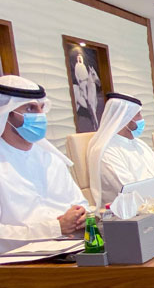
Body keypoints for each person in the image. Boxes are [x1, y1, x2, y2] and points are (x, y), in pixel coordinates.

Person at [0, 75, 88, 253]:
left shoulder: (51, 158)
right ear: (6, 114)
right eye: (30, 108)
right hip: (20, 261)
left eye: (42, 108)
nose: (40, 116)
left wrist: (83, 216)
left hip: (72, 249)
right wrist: (56, 228)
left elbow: (79, 202)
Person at [87, 92, 154, 207]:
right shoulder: (106, 151)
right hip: (130, 213)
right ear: (126, 118)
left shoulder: (139, 144)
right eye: (138, 115)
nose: (142, 119)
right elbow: (130, 192)